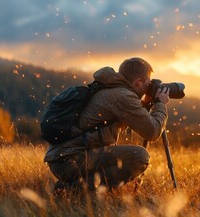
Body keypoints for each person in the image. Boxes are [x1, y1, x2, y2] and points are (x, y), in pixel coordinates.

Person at [44, 57, 169, 192]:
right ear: (138, 82)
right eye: (147, 84)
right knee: (139, 156)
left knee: (131, 155)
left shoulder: (110, 88)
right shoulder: (123, 96)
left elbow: (134, 117)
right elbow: (153, 132)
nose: (148, 88)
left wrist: (146, 103)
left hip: (61, 159)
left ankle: (72, 185)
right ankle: (70, 189)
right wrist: (160, 104)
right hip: (69, 161)